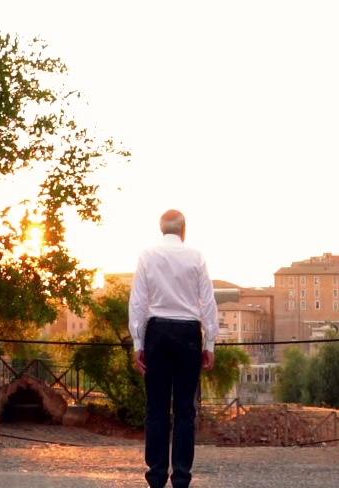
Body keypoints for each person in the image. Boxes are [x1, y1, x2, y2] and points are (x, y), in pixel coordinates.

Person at [128, 209, 219, 488]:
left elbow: (138, 302)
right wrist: (210, 342)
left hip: (157, 332)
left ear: (161, 229)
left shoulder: (147, 256)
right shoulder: (197, 257)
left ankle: (156, 476)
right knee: (184, 410)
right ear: (184, 230)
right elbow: (207, 301)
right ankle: (181, 477)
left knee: (156, 408)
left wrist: (138, 342)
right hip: (188, 333)